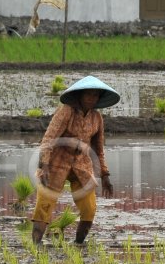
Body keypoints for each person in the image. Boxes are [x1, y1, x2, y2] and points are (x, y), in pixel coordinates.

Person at [30, 75, 119, 245]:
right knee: (44, 206)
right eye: (89, 95)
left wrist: (105, 175)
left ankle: (78, 244)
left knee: (89, 208)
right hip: (56, 162)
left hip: (81, 164)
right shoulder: (67, 111)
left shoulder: (96, 118)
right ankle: (36, 246)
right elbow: (49, 138)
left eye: (95, 96)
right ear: (80, 95)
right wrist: (44, 166)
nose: (92, 99)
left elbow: (98, 149)